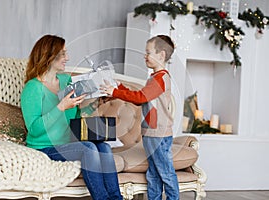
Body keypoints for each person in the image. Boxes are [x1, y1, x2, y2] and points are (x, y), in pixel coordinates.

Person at [20, 34, 123, 200]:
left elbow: (74, 116)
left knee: (104, 148)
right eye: (62, 54)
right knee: (88, 148)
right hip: (43, 146)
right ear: (49, 56)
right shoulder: (32, 88)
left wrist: (95, 105)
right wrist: (60, 107)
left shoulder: (66, 80)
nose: (67, 58)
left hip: (67, 142)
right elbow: (34, 129)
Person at [100, 35, 179, 200]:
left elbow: (140, 98)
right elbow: (141, 100)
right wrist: (119, 88)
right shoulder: (153, 78)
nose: (145, 55)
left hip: (159, 133)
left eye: (148, 52)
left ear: (161, 55)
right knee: (153, 173)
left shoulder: (162, 78)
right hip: (151, 133)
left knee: (165, 172)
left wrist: (115, 92)